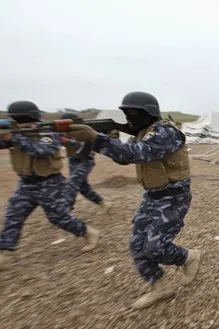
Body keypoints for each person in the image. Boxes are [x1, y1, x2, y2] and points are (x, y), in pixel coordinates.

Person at [64, 91, 202, 309]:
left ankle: (188, 257)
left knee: (155, 247)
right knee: (137, 245)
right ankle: (160, 287)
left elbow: (137, 153)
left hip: (173, 197)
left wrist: (96, 138)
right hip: (152, 196)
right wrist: (92, 142)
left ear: (149, 113)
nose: (129, 119)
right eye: (126, 113)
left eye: (133, 114)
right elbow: (124, 158)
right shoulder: (144, 132)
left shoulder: (166, 132)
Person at [0, 101, 100, 270]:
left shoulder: (48, 133)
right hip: (26, 184)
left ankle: (88, 232)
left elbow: (42, 151)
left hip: (50, 183)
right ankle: (5, 251)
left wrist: (15, 138)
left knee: (58, 217)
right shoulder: (14, 133)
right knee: (13, 216)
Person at [58, 112, 112, 214]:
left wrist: (66, 140)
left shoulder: (83, 131)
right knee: (83, 187)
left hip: (85, 160)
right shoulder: (63, 132)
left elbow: (86, 144)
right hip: (73, 159)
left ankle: (66, 211)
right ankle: (103, 203)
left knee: (72, 183)